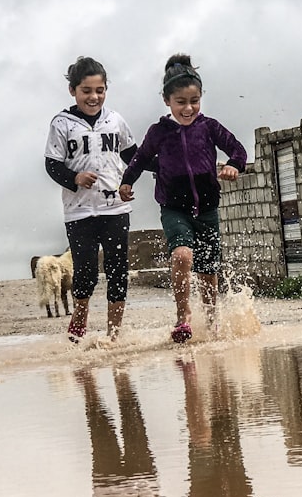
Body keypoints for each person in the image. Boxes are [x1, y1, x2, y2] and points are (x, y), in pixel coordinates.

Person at [119, 54, 248, 343]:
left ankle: (213, 322)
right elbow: (139, 160)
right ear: (167, 101)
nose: (188, 108)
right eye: (181, 102)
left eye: (194, 101)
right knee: (181, 255)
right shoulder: (159, 132)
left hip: (207, 209)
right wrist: (127, 182)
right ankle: (183, 317)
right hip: (174, 208)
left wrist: (233, 166)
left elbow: (238, 150)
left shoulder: (209, 127)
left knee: (207, 271)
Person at [44, 56, 137, 341]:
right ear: (73, 90)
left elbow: (133, 157)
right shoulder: (62, 124)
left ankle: (114, 334)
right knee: (85, 272)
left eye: (100, 90)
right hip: (79, 212)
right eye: (86, 91)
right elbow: (52, 164)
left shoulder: (115, 121)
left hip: (115, 208)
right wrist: (74, 178)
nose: (94, 97)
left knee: (117, 270)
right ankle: (79, 322)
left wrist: (128, 182)